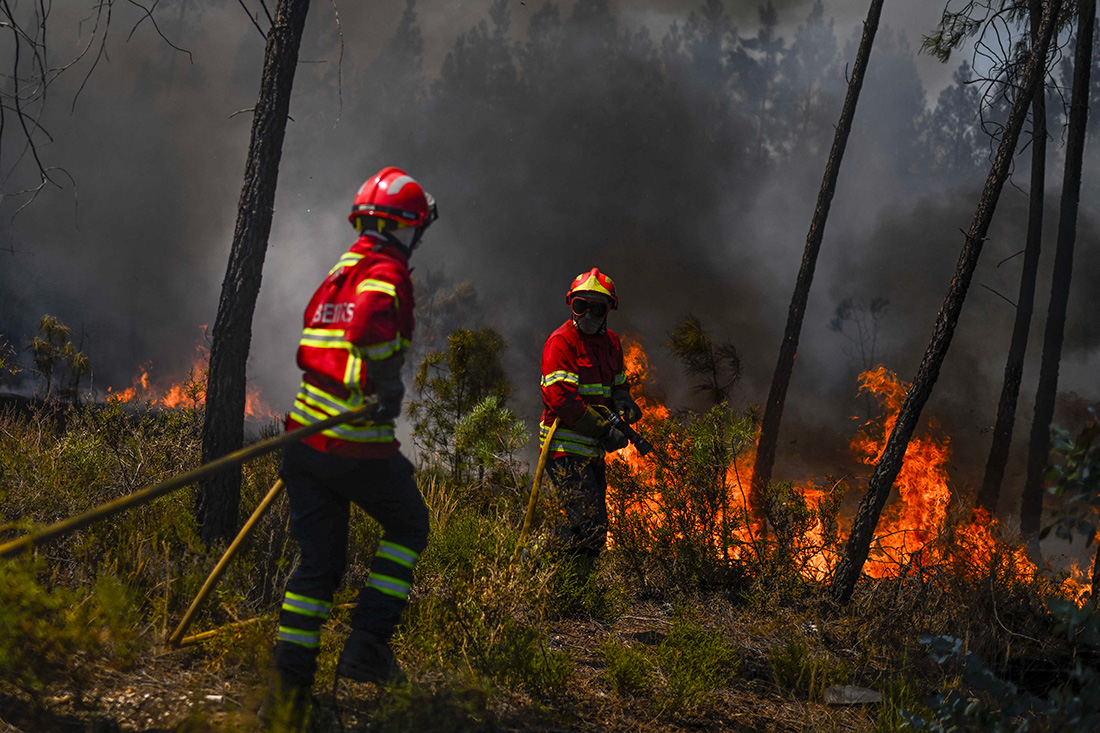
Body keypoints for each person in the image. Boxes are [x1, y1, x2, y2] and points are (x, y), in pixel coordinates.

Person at [264, 167, 437, 723]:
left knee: (317, 567)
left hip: (305, 438)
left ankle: (289, 697)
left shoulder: (343, 269)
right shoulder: (386, 270)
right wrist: (386, 383)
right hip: (350, 444)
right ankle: (368, 644)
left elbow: (319, 334)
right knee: (409, 524)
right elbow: (366, 328)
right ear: (405, 227)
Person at [539, 268, 643, 565]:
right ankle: (537, 557)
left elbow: (618, 384)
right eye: (580, 305)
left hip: (592, 453)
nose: (587, 314)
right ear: (571, 305)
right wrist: (605, 431)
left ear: (609, 309)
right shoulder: (561, 342)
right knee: (587, 524)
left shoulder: (611, 343)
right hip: (565, 448)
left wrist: (624, 401)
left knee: (594, 529)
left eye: (596, 308)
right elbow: (561, 399)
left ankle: (575, 579)